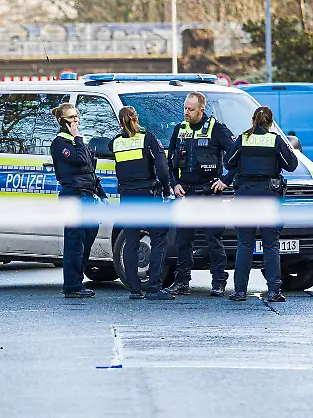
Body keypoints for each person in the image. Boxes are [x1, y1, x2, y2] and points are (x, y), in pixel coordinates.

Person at [224, 105, 299, 303]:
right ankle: (274, 291)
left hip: (245, 197)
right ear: (270, 122)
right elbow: (292, 165)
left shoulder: (243, 139)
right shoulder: (275, 140)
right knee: (271, 245)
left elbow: (227, 162)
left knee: (245, 244)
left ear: (253, 120)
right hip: (269, 198)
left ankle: (240, 291)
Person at [165, 92, 237, 297]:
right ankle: (182, 282)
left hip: (209, 193)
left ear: (201, 110)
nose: (186, 112)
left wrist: (225, 180)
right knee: (183, 241)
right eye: (185, 108)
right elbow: (170, 163)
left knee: (213, 239)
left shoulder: (216, 129)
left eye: (191, 109)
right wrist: (174, 184)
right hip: (186, 194)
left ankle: (218, 282)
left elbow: (237, 156)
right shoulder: (180, 129)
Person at [111, 106, 175, 301]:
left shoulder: (115, 142)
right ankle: (154, 287)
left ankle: (134, 290)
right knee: (159, 238)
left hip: (127, 197)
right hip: (148, 195)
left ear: (120, 123)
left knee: (131, 242)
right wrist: (166, 190)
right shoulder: (148, 138)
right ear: (136, 119)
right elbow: (162, 167)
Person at [50, 103, 106, 298]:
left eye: (76, 116)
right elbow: (80, 160)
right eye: (71, 117)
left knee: (87, 238)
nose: (75, 120)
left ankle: (78, 281)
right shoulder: (61, 143)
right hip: (73, 195)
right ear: (61, 121)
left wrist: (102, 194)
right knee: (74, 243)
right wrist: (78, 138)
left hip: (87, 195)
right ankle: (72, 286)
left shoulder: (78, 141)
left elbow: (90, 170)